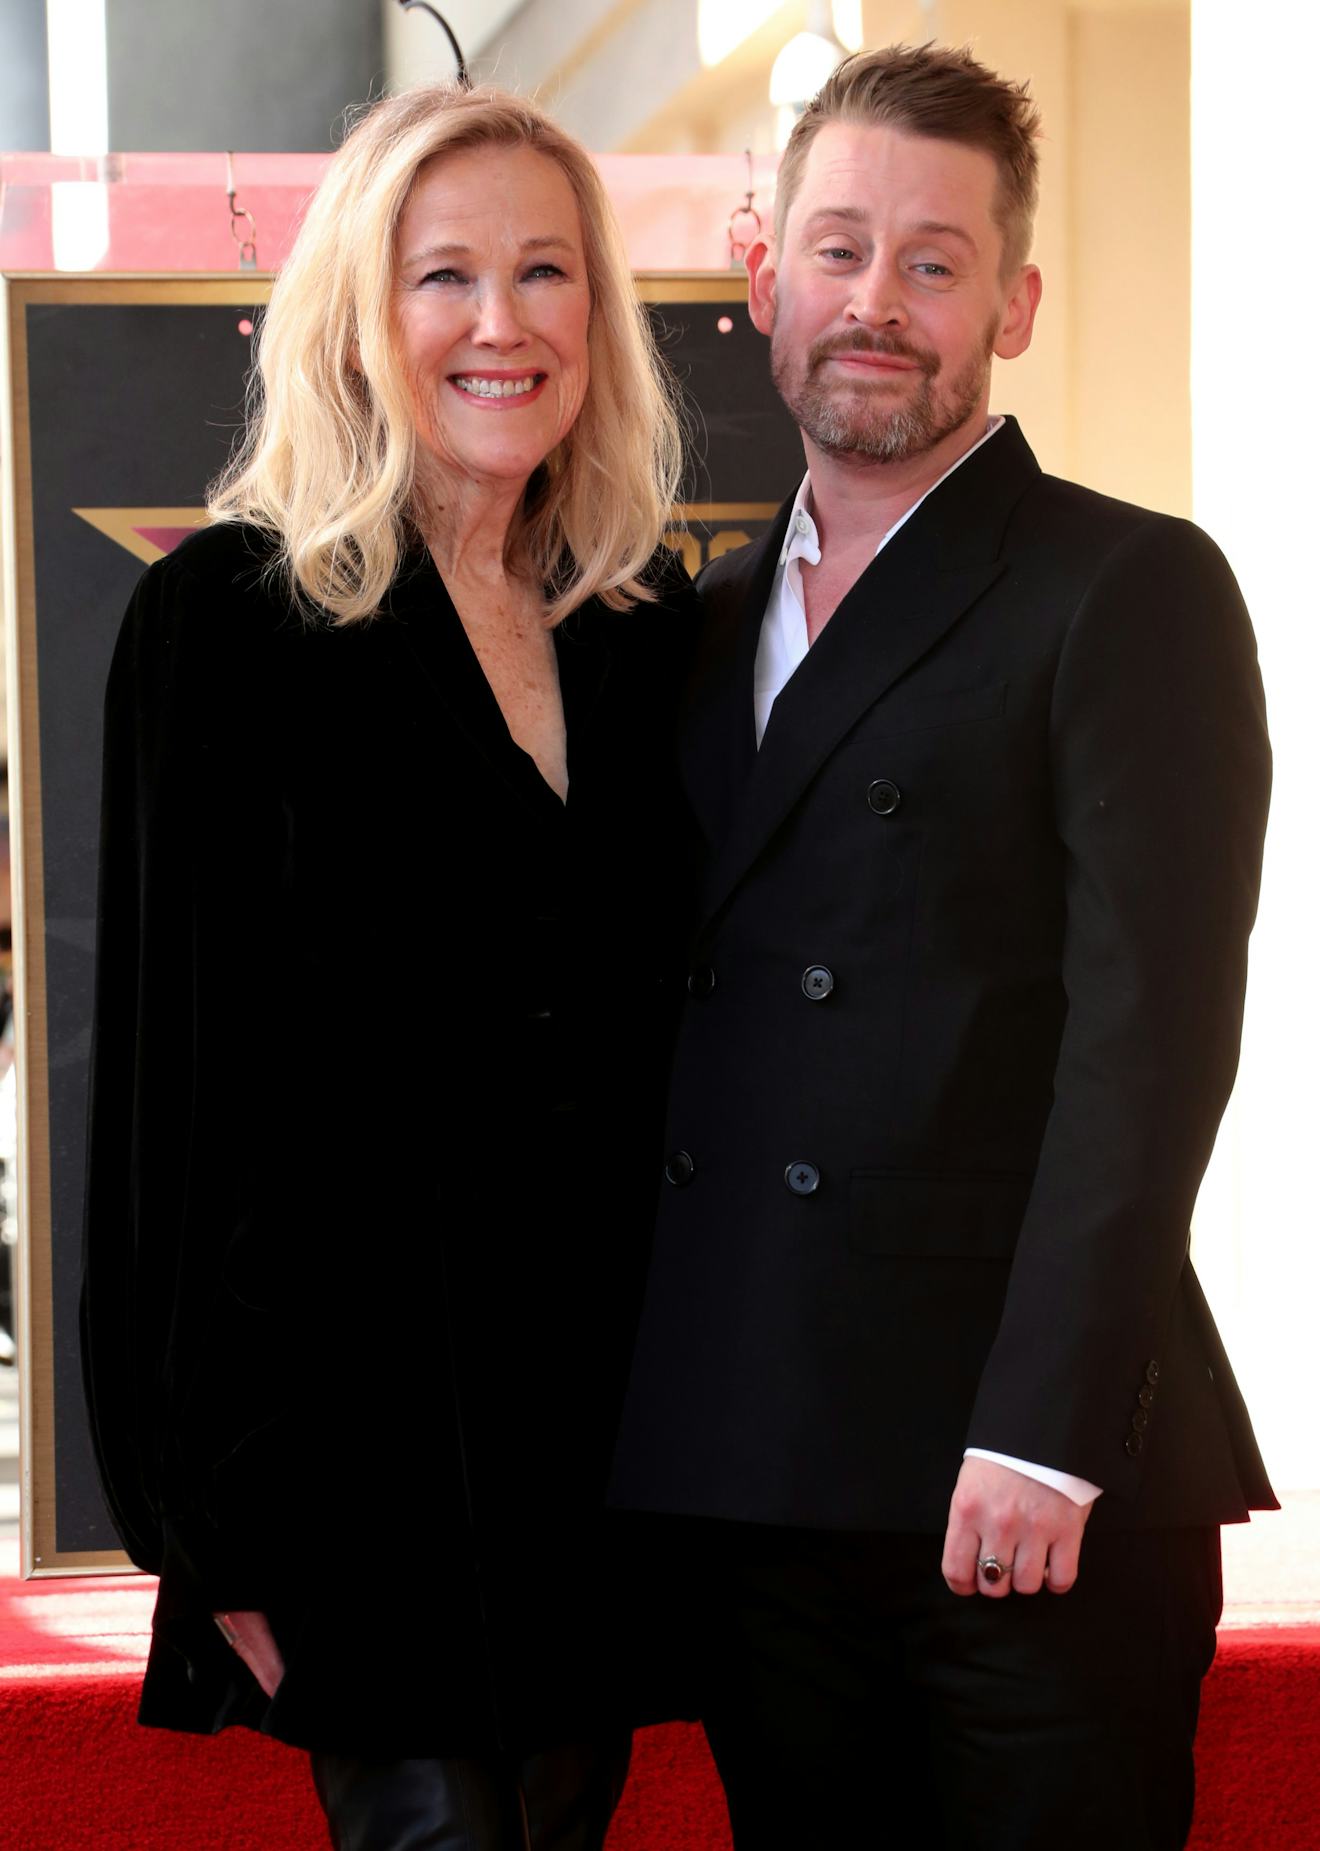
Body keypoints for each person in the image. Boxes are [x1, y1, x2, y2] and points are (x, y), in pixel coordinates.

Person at [608, 42, 1274, 1851]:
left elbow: (1151, 1045)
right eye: (839, 250)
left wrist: (1048, 1431)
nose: (876, 304)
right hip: (762, 1479)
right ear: (764, 278)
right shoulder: (693, 622)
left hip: (1032, 1487)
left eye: (934, 261)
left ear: (1015, 306)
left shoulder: (1124, 586)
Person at [80, 81, 698, 1851]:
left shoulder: (643, 629)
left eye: (546, 272)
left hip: (602, 1453)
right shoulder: (226, 623)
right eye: (446, 277)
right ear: (361, 315)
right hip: (347, 1466)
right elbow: (169, 1102)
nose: (503, 323)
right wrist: (203, 1522)